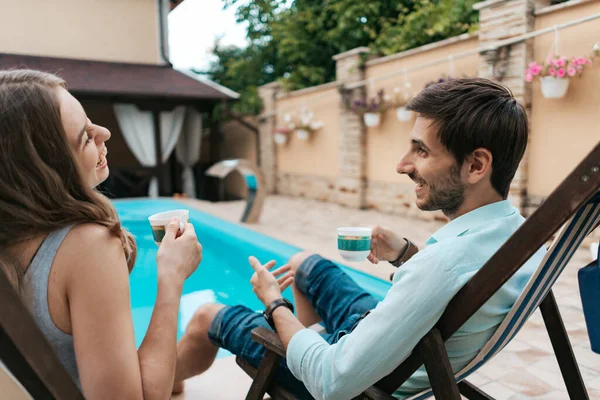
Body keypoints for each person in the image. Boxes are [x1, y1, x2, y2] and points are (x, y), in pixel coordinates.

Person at [173, 77, 547, 399]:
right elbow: (455, 287)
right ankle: (306, 342)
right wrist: (404, 253)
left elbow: (331, 381)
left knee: (207, 315)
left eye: (421, 150)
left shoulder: (443, 265)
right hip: (385, 345)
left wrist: (274, 303)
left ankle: (167, 384)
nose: (403, 165)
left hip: (358, 384)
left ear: (476, 165)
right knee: (304, 264)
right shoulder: (517, 232)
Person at [0, 69, 203, 400]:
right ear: (45, 170)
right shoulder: (87, 245)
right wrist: (172, 276)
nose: (105, 133)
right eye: (85, 137)